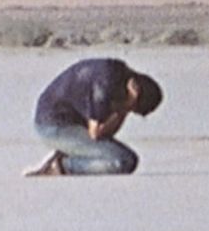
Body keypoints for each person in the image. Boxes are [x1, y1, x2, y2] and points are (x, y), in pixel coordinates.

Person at [25, 58, 163, 176]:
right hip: (53, 126)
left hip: (71, 122)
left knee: (121, 155)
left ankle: (70, 152)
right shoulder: (105, 85)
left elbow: (106, 134)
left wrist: (124, 108)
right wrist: (125, 108)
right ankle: (62, 165)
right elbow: (96, 133)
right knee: (123, 160)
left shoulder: (118, 74)